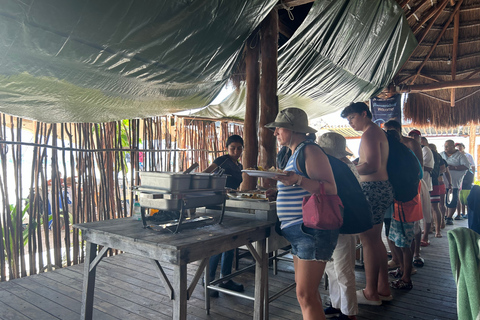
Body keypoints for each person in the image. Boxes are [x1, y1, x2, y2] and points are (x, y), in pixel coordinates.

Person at [265, 107, 339, 320]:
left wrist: (296, 180)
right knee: (308, 295)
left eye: (278, 128)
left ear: (292, 128)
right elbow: (303, 186)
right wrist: (280, 190)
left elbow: (330, 188)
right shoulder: (296, 153)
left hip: (310, 230)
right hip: (301, 231)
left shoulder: (310, 150)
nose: (275, 132)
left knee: (305, 295)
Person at [341, 102, 393, 306]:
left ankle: (371, 292)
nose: (350, 122)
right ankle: (383, 287)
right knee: (375, 240)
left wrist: (349, 170)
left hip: (373, 189)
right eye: (348, 120)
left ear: (364, 114)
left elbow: (371, 166)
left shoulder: (370, 133)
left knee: (369, 240)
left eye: (352, 118)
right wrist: (355, 163)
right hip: (380, 188)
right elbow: (369, 162)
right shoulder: (375, 132)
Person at [318, 132, 359, 320]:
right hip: (335, 222)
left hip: (342, 222)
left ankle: (349, 312)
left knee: (342, 268)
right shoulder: (343, 165)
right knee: (332, 267)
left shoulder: (339, 168)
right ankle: (337, 304)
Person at [203, 134, 245, 297]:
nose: (236, 151)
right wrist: (219, 188)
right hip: (217, 205)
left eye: (239, 148)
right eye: (232, 148)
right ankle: (210, 280)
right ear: (227, 148)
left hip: (231, 205)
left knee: (231, 242)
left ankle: (225, 279)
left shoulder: (239, 165)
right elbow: (205, 175)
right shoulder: (222, 160)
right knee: (218, 243)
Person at [383, 121, 424, 272]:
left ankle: (408, 269)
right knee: (397, 234)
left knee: (405, 237)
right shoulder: (401, 151)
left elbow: (418, 171)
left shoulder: (405, 149)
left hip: (404, 198)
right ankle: (401, 264)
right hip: (404, 197)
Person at [408, 131, 433, 247]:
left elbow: (426, 167)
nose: (413, 138)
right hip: (413, 184)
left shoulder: (425, 150)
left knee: (426, 210)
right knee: (415, 215)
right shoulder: (407, 149)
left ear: (420, 138)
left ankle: (425, 236)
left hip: (423, 183)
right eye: (411, 136)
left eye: (416, 136)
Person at [440, 140, 470, 225]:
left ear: (453, 146)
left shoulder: (460, 156)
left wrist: (454, 167)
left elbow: (467, 166)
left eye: (448, 146)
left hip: (454, 183)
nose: (445, 148)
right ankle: (444, 216)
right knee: (443, 201)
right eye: (445, 146)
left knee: (453, 200)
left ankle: (449, 217)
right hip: (442, 182)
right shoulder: (441, 154)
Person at [428, 143, 447, 238]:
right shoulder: (439, 156)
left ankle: (437, 229)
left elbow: (444, 170)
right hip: (432, 182)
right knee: (431, 207)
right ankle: (432, 227)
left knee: (435, 206)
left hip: (435, 182)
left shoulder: (438, 157)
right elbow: (443, 169)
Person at [456, 142, 475, 219]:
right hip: (459, 178)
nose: (459, 148)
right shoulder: (456, 156)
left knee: (467, 195)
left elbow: (473, 167)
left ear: (463, 147)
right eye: (457, 147)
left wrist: (472, 177)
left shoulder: (468, 156)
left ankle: (468, 213)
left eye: (460, 146)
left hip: (467, 177)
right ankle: (461, 213)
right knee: (460, 195)